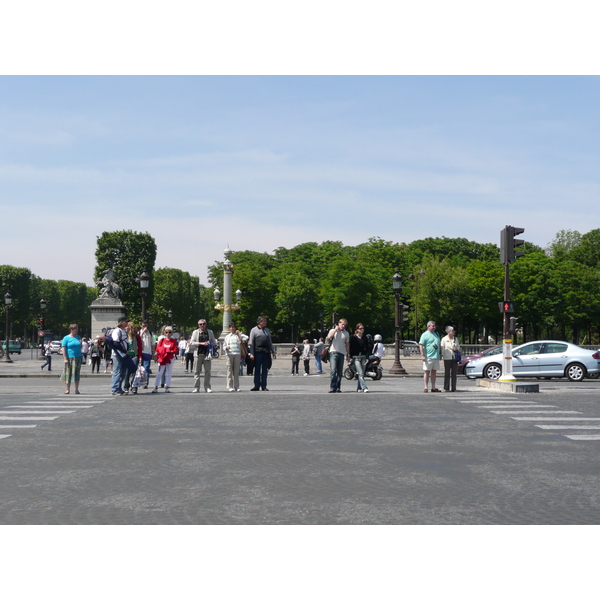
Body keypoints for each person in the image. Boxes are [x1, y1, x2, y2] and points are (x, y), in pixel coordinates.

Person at [247, 316, 277, 391]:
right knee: (257, 369)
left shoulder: (267, 330)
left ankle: (264, 385)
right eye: (264, 321)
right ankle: (256, 385)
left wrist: (273, 351)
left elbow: (269, 341)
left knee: (265, 370)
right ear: (260, 322)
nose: (266, 322)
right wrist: (252, 353)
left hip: (266, 352)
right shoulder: (254, 330)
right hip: (257, 352)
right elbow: (251, 343)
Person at [190, 319, 216, 393]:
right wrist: (201, 343)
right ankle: (196, 387)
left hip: (207, 354)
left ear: (206, 324)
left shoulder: (210, 332)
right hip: (198, 354)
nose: (202, 325)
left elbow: (214, 342)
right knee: (196, 372)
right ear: (198, 325)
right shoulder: (195, 332)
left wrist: (210, 343)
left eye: (203, 324)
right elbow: (192, 342)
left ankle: (207, 387)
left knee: (207, 372)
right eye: (200, 324)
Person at [327, 318, 350, 393]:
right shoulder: (333, 330)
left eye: (345, 325)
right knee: (333, 370)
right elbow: (329, 337)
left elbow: (347, 344)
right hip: (333, 352)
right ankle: (332, 387)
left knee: (339, 372)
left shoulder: (346, 333)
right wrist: (335, 330)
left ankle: (338, 387)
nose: (343, 326)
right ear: (339, 324)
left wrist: (348, 354)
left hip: (342, 353)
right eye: (342, 324)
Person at [152, 327, 178, 393]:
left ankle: (167, 387)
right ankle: (156, 387)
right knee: (159, 373)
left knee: (169, 373)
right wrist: (165, 351)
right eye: (166, 332)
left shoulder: (173, 341)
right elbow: (157, 348)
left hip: (170, 358)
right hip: (162, 358)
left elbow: (175, 350)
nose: (168, 334)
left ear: (172, 333)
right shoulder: (162, 340)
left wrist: (169, 351)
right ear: (164, 333)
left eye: (169, 332)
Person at [419, 320, 441, 392]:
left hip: (436, 356)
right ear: (428, 326)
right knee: (427, 371)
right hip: (428, 356)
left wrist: (440, 354)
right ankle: (426, 387)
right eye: (432, 326)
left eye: (435, 326)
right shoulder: (425, 334)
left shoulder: (436, 334)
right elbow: (421, 345)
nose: (434, 327)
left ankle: (433, 387)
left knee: (434, 372)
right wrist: (422, 355)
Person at [61, 324, 83, 395]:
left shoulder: (78, 337)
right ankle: (68, 389)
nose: (77, 330)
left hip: (78, 357)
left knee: (77, 373)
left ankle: (76, 389)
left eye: (77, 329)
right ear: (71, 330)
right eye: (75, 329)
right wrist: (65, 358)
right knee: (68, 374)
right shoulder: (66, 338)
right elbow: (63, 348)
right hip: (70, 358)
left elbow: (80, 347)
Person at [110, 317, 130, 396]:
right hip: (117, 354)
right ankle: (114, 389)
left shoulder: (124, 331)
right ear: (121, 322)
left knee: (123, 372)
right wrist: (124, 350)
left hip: (124, 354)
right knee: (117, 372)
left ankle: (119, 388)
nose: (127, 323)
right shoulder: (116, 331)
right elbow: (116, 343)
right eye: (125, 321)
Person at [349, 323, 371, 392]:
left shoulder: (365, 338)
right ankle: (365, 387)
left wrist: (367, 357)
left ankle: (359, 388)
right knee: (360, 372)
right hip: (356, 357)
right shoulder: (353, 338)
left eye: (363, 328)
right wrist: (350, 356)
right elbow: (350, 347)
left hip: (363, 357)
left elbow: (367, 348)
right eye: (360, 328)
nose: (362, 330)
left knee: (361, 373)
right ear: (357, 330)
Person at [123, 321, 143, 394]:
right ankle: (126, 387)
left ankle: (134, 387)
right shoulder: (124, 336)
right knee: (127, 373)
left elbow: (140, 347)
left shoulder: (136, 336)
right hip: (127, 356)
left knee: (135, 372)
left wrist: (140, 356)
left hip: (135, 355)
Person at [223, 322, 243, 391]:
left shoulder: (238, 335)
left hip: (237, 354)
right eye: (231, 327)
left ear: (235, 328)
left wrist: (239, 334)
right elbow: (223, 346)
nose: (232, 328)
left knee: (236, 371)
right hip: (229, 355)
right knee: (229, 371)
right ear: (229, 328)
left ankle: (236, 386)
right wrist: (226, 347)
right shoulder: (227, 337)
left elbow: (246, 338)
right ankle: (230, 386)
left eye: (233, 327)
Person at [441, 325, 461, 392]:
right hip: (447, 357)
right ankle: (446, 388)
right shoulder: (444, 339)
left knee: (454, 373)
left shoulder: (455, 339)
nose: (453, 332)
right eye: (452, 331)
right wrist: (442, 355)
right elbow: (442, 348)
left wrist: (456, 348)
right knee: (447, 373)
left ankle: (454, 388)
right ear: (448, 332)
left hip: (454, 357)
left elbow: (458, 347)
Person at [139, 321, 155, 388]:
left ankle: (145, 383)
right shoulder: (138, 333)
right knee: (140, 369)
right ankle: (140, 381)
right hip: (140, 353)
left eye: (145, 325)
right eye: (143, 326)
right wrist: (142, 332)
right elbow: (138, 339)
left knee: (146, 368)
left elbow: (153, 344)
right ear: (141, 326)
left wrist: (153, 353)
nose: (144, 327)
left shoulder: (150, 333)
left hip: (147, 353)